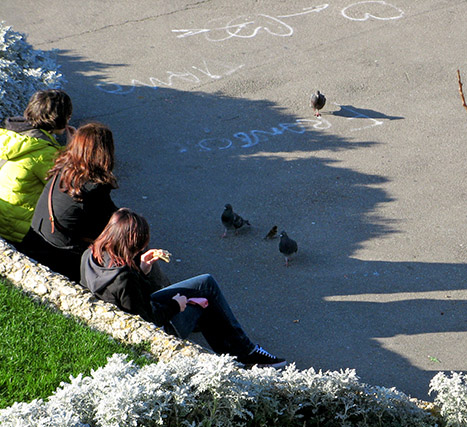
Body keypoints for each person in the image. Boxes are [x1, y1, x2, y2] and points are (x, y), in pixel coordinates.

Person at [80, 208, 287, 368]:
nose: (140, 249)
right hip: (158, 329)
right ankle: (246, 353)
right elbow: (148, 321)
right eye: (138, 246)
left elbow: (129, 301)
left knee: (205, 286)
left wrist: (141, 270)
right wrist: (177, 304)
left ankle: (238, 354)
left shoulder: (90, 256)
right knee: (206, 299)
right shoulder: (123, 277)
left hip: (128, 313)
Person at [20, 123, 118, 282]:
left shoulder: (62, 169)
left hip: (34, 243)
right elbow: (108, 226)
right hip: (60, 259)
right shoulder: (92, 188)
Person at [0, 89, 74, 245]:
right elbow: (67, 187)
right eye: (68, 116)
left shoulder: (9, 136)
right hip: (18, 230)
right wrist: (73, 149)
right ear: (59, 119)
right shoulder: (45, 152)